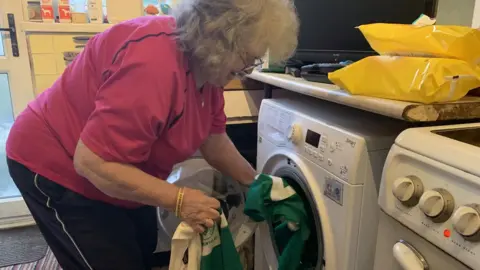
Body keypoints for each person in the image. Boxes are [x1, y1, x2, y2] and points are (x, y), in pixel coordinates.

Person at [6, 0, 298, 269]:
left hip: (119, 168)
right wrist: (181, 199)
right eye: (248, 59)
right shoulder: (152, 65)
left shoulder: (208, 67)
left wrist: (256, 182)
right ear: (220, 39)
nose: (246, 71)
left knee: (141, 250)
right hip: (55, 162)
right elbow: (92, 162)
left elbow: (213, 139)